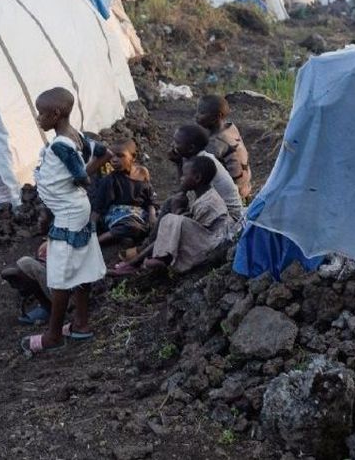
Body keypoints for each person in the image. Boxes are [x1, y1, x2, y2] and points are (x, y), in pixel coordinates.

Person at [21, 87, 107, 355]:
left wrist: (76, 178)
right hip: (73, 209)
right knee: (81, 263)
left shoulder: (61, 145)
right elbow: (104, 152)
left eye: (41, 113)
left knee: (59, 274)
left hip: (69, 212)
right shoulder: (76, 136)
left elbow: (82, 178)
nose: (38, 118)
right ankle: (80, 323)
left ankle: (53, 335)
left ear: (55, 114)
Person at [110, 152, 235, 276]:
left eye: (184, 175)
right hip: (202, 238)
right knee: (171, 207)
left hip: (210, 246)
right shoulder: (198, 193)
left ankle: (155, 260)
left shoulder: (208, 204)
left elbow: (186, 234)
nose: (181, 178)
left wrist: (176, 211)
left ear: (197, 178)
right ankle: (146, 255)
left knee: (171, 219)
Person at [88, 139, 156, 250]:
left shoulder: (143, 172)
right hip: (117, 216)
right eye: (111, 156)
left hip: (140, 215)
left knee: (160, 221)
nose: (114, 160)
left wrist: (152, 215)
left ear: (133, 157)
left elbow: (150, 199)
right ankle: (95, 242)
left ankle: (126, 237)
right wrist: (91, 230)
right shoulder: (110, 180)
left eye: (120, 156)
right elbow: (98, 207)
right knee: (131, 225)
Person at [197, 95, 251, 201]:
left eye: (201, 113)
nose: (196, 116)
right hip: (245, 186)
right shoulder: (230, 128)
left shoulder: (215, 144)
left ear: (217, 116)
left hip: (232, 194)